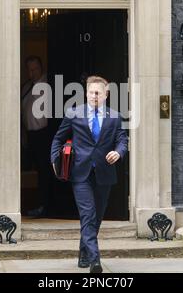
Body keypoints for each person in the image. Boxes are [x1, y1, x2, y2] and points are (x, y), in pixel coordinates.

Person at [51, 76, 128, 273]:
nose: (94, 96)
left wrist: (118, 152)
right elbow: (58, 138)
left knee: (97, 217)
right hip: (80, 173)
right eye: (91, 92)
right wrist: (54, 161)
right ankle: (95, 261)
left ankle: (83, 253)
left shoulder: (115, 116)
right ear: (86, 93)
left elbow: (122, 141)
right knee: (88, 214)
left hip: (104, 173)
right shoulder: (74, 113)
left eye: (98, 93)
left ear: (106, 94)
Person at [21, 56, 49, 218]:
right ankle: (37, 205)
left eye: (35, 69)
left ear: (41, 68)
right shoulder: (26, 87)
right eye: (30, 70)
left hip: (44, 134)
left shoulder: (47, 85)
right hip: (30, 134)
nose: (32, 73)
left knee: (44, 171)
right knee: (35, 171)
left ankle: (45, 206)